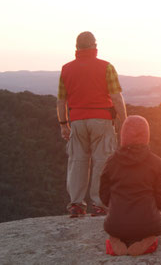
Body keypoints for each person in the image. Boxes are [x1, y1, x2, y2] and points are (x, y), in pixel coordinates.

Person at [57, 31, 127, 217]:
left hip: (77, 121)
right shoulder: (106, 67)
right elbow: (116, 98)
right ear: (95, 47)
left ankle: (76, 204)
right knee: (102, 162)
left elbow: (61, 101)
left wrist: (63, 124)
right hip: (102, 120)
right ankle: (100, 204)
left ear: (77, 48)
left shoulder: (66, 69)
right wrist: (124, 121)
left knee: (77, 161)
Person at [100, 115, 161, 256]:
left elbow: (104, 195)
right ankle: (149, 240)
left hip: (115, 224)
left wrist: (115, 207)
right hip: (148, 223)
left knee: (113, 228)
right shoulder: (156, 162)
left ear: (123, 136)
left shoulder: (111, 161)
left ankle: (115, 239)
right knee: (159, 227)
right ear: (146, 135)